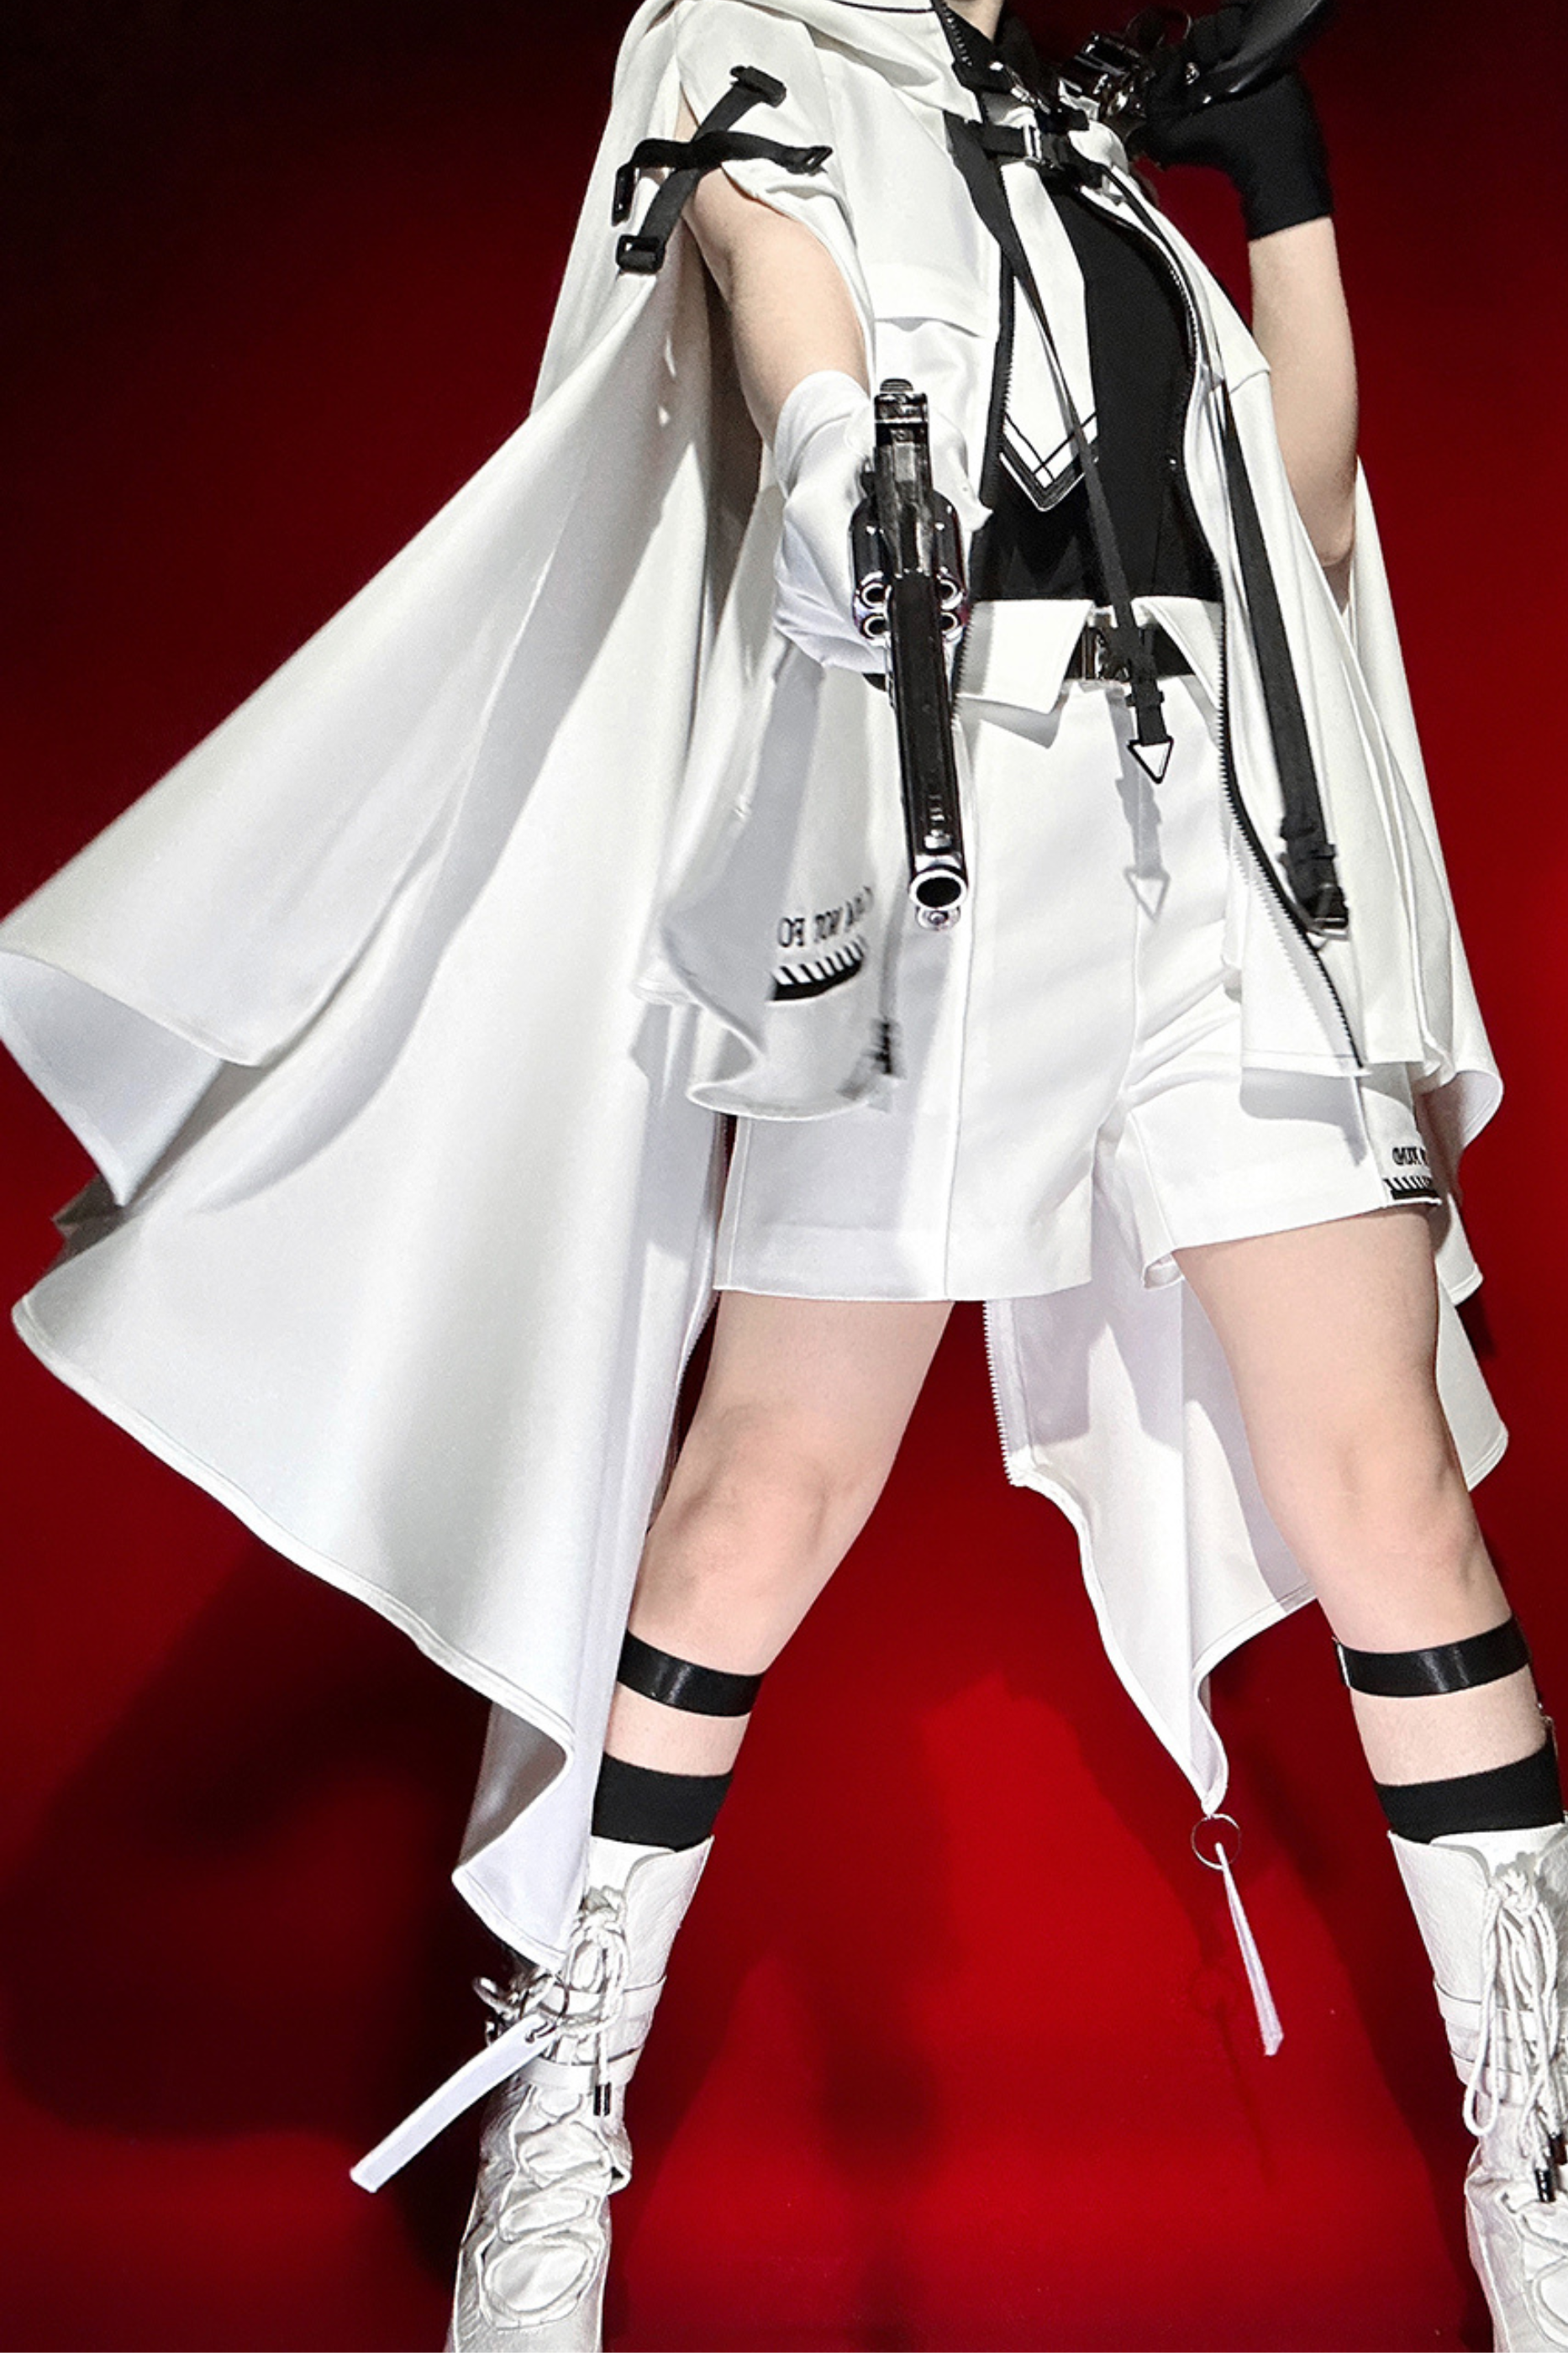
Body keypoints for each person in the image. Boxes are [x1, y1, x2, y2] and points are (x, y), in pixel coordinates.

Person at [0, 2, 1563, 2349]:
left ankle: (1541, 2151)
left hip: (1231, 856)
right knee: (762, 1490)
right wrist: (841, 469)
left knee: (1389, 1490)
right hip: (949, 848)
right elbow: (770, 269)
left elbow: (1303, 528)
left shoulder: (1092, 162)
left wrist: (1286, 200)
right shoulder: (757, 45)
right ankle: (561, 2120)